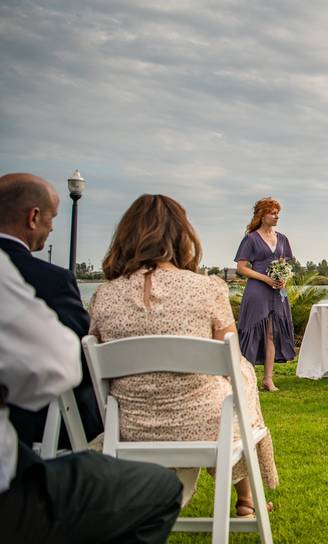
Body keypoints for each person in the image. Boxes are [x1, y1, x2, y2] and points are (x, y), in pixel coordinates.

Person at [90, 194, 279, 518]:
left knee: (230, 385)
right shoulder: (206, 290)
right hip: (205, 426)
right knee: (241, 376)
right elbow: (230, 360)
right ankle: (246, 497)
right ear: (182, 237)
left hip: (130, 428)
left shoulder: (103, 296)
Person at [0, 249, 183, 543]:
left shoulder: (105, 294)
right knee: (162, 487)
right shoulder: (16, 273)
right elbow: (63, 366)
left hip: (119, 422)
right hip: (11, 492)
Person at [0, 172, 102, 444]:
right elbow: (80, 356)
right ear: (33, 217)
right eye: (52, 218)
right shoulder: (49, 280)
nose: (52, 227)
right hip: (32, 428)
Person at [234, 197, 296, 391]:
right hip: (257, 291)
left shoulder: (283, 239)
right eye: (273, 213)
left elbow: (286, 265)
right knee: (252, 333)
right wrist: (265, 278)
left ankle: (268, 380)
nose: (277, 216)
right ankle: (246, 379)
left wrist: (283, 279)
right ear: (262, 215)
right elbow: (241, 268)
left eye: (278, 213)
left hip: (277, 292)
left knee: (271, 334)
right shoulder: (251, 238)